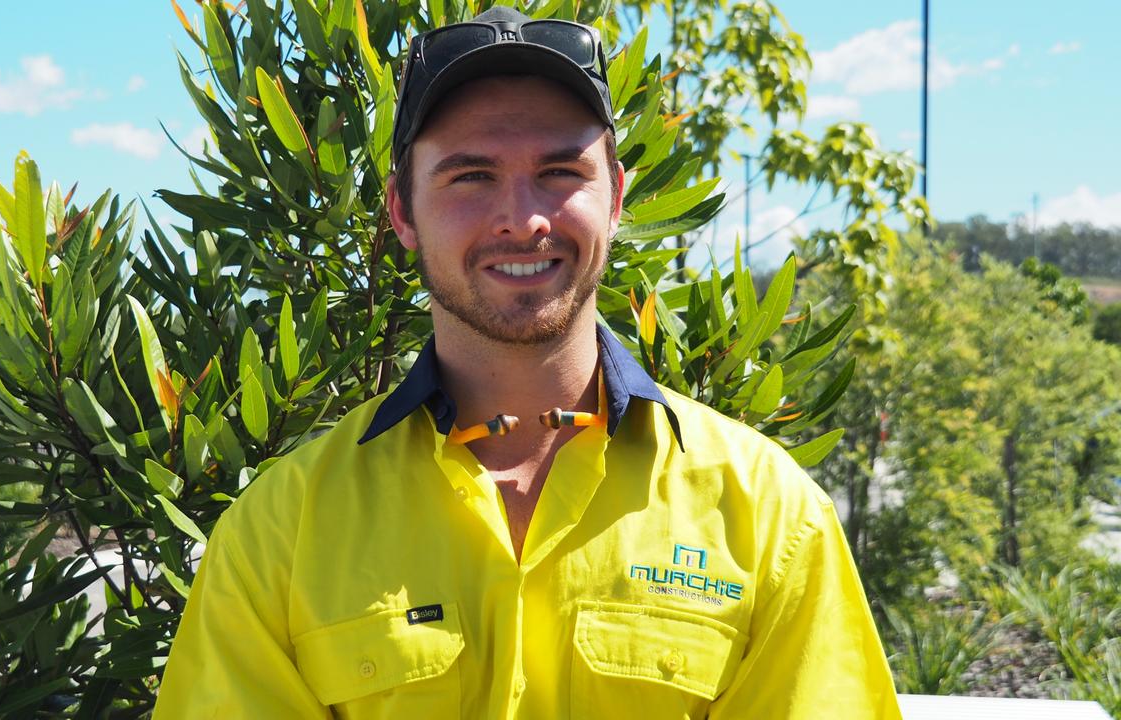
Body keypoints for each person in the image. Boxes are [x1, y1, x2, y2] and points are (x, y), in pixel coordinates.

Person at [155, 7, 901, 718]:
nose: (524, 218)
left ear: (615, 199)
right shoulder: (279, 535)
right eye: (471, 176)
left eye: (559, 171)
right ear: (402, 212)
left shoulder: (768, 516)